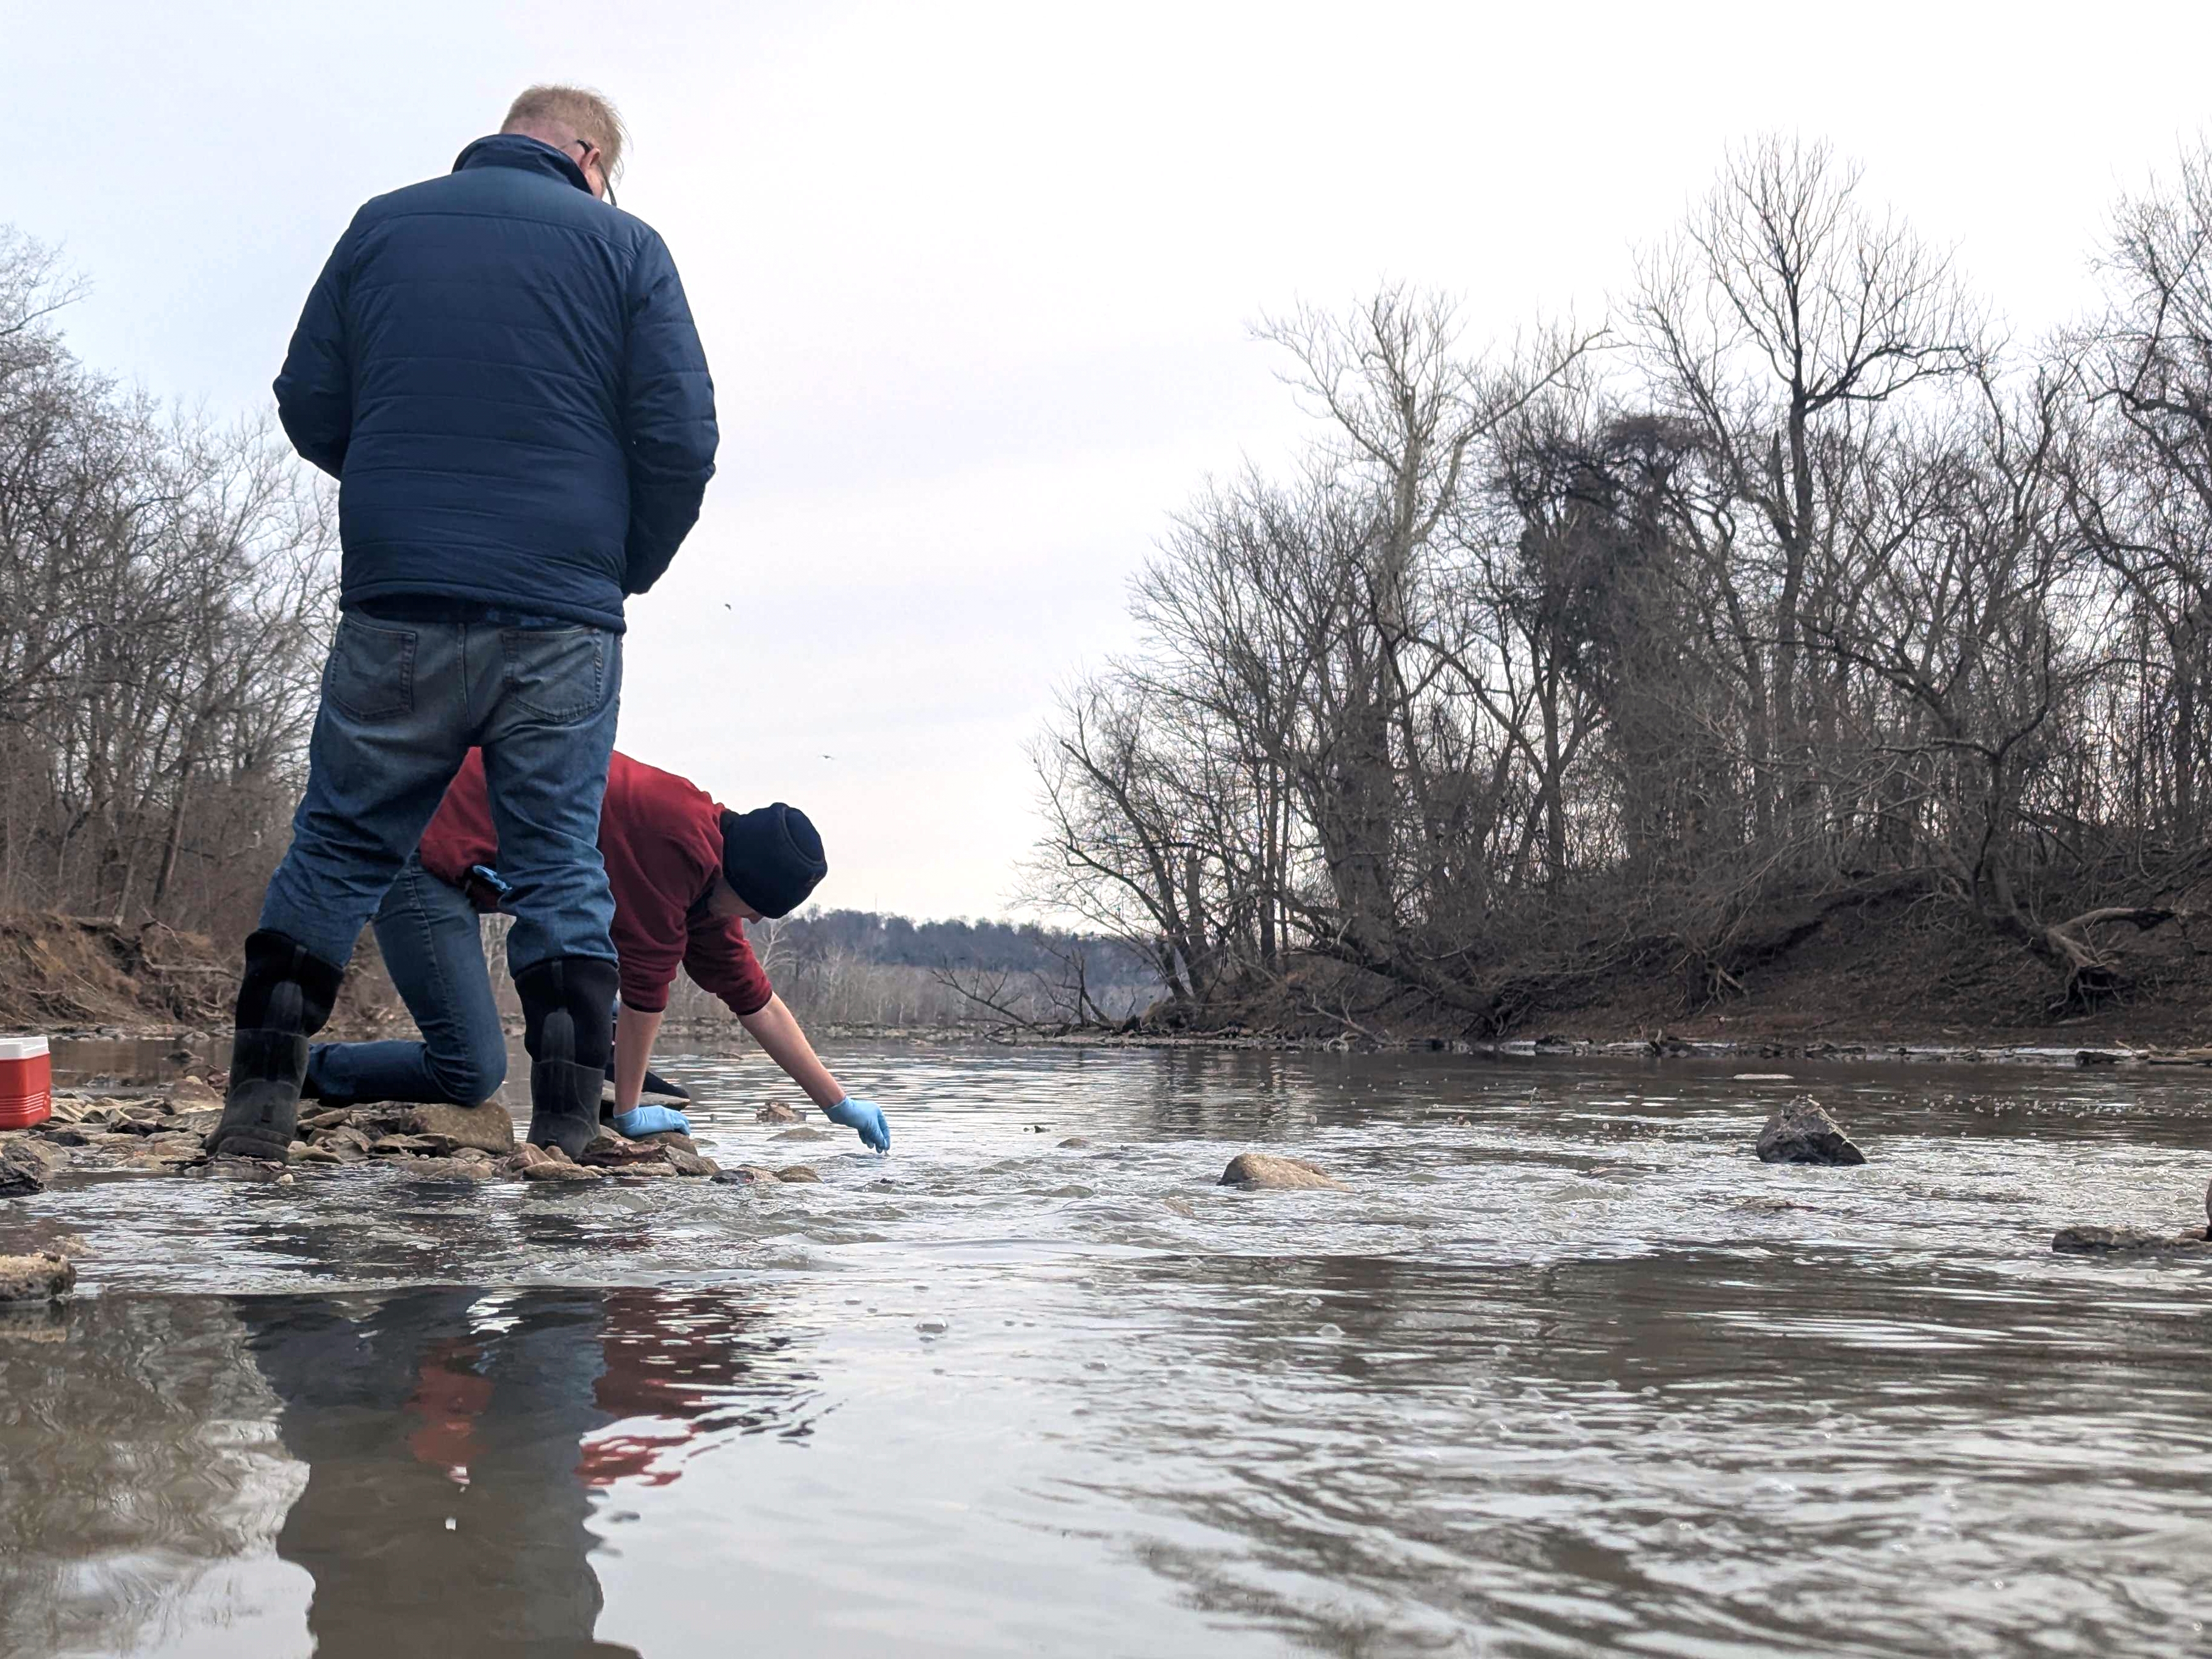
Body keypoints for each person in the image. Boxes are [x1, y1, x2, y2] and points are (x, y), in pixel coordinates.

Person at [209, 85, 718, 1162]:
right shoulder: (627, 246)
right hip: (561, 614)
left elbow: (308, 400)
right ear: (587, 156)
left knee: (340, 840)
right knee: (556, 860)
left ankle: (257, 1112)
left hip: (401, 599)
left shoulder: (382, 224)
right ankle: (571, 1131)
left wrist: (406, 493)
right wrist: (620, 567)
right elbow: (680, 437)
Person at [303, 750, 892, 1153]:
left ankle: (603, 1084)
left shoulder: (712, 871)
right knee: (471, 1070)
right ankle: (298, 1070)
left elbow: (756, 1000)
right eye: (756, 905)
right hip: (416, 849)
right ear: (738, 875)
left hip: (463, 865)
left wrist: (837, 1104)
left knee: (590, 1001)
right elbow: (645, 989)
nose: (757, 919)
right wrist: (631, 1115)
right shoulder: (677, 843)